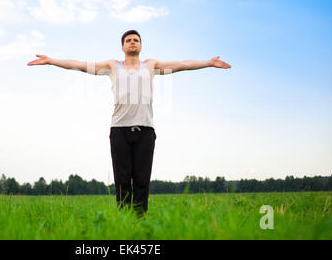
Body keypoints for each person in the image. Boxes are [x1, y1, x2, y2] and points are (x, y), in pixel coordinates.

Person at [27, 29, 231, 217]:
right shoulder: (112, 66)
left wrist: (208, 62)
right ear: (122, 47)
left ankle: (140, 221)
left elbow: (182, 65)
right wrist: (51, 60)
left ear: (141, 46)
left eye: (136, 40)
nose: (132, 42)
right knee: (122, 180)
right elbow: (79, 65)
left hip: (145, 130)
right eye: (128, 40)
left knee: (142, 180)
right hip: (119, 130)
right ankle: (123, 220)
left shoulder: (151, 65)